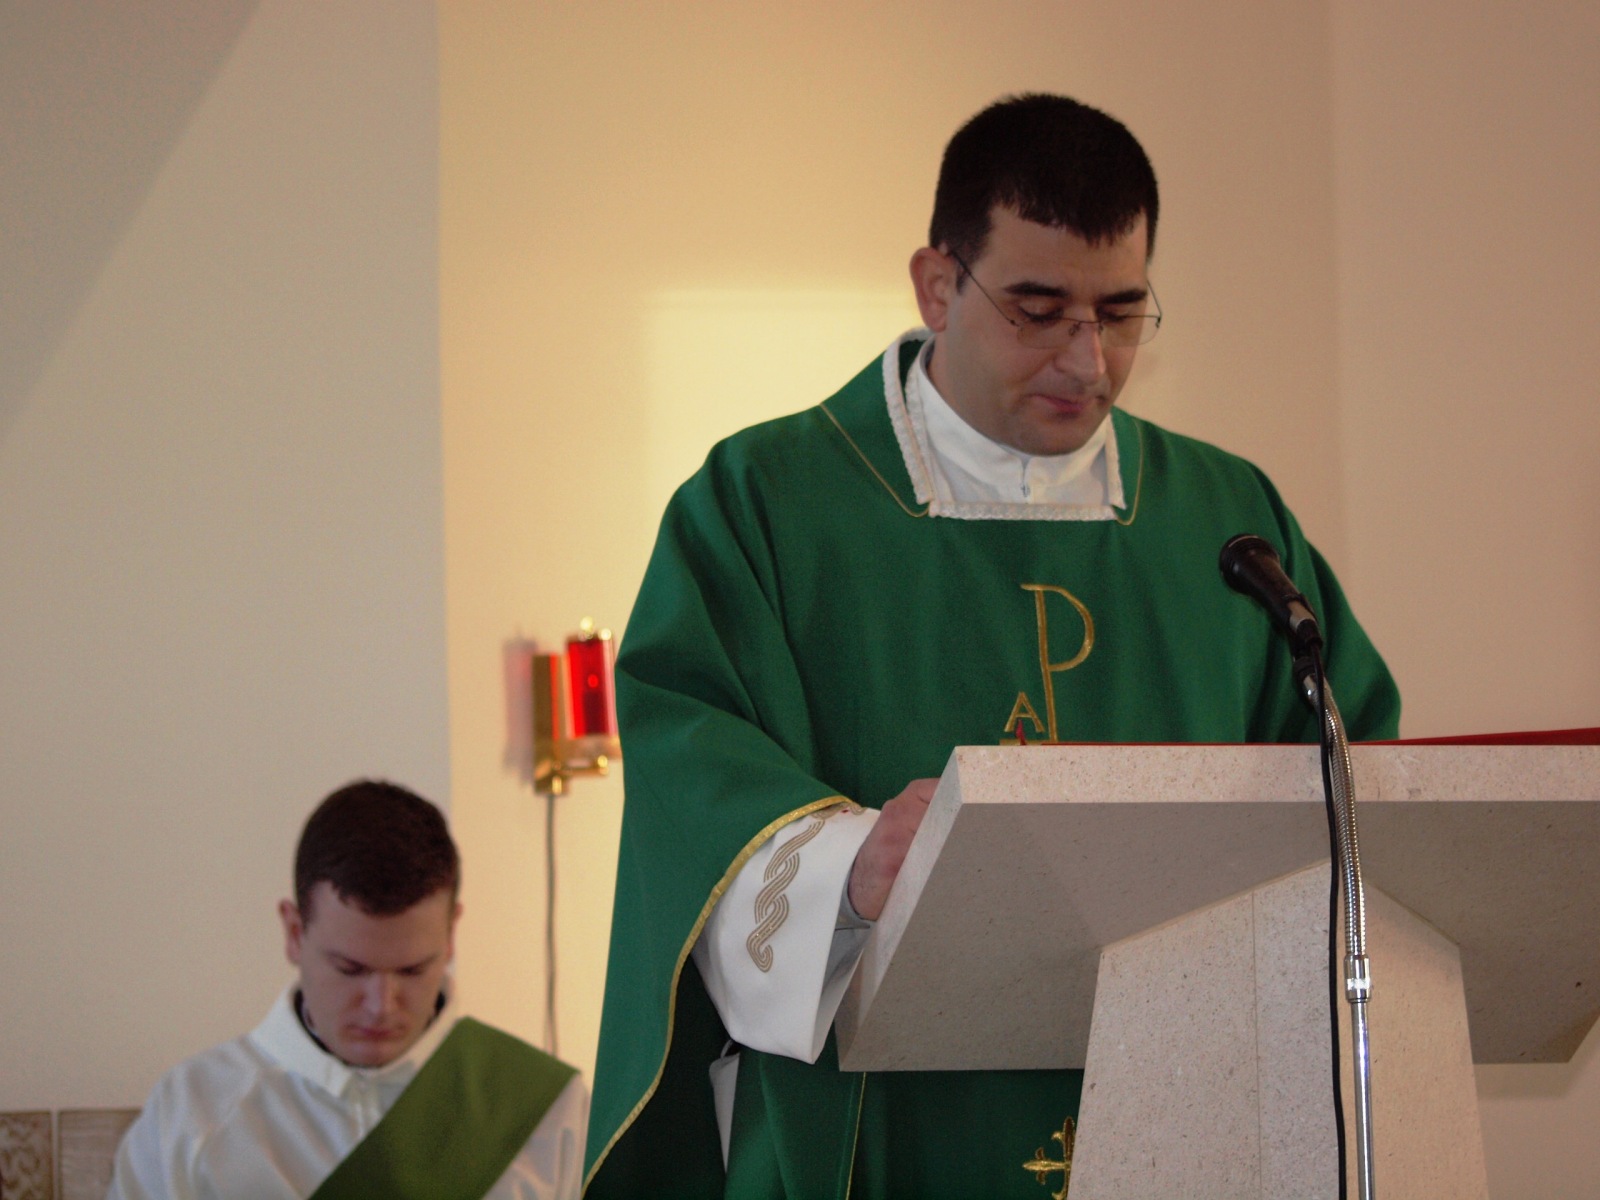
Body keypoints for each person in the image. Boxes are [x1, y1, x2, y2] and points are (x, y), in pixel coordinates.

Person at [584, 93, 1400, 1198]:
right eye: (1038, 310)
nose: (1088, 360)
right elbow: (691, 761)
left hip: (1184, 1111)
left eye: (1121, 312)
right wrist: (847, 863)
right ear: (937, 284)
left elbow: (1351, 766)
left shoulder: (1226, 521)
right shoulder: (770, 501)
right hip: (877, 1125)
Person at [107, 780, 587, 1200]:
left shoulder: (549, 1110)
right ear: (294, 932)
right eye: (350, 969)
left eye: (413, 970)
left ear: (451, 935)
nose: (381, 1006)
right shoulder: (192, 1112)